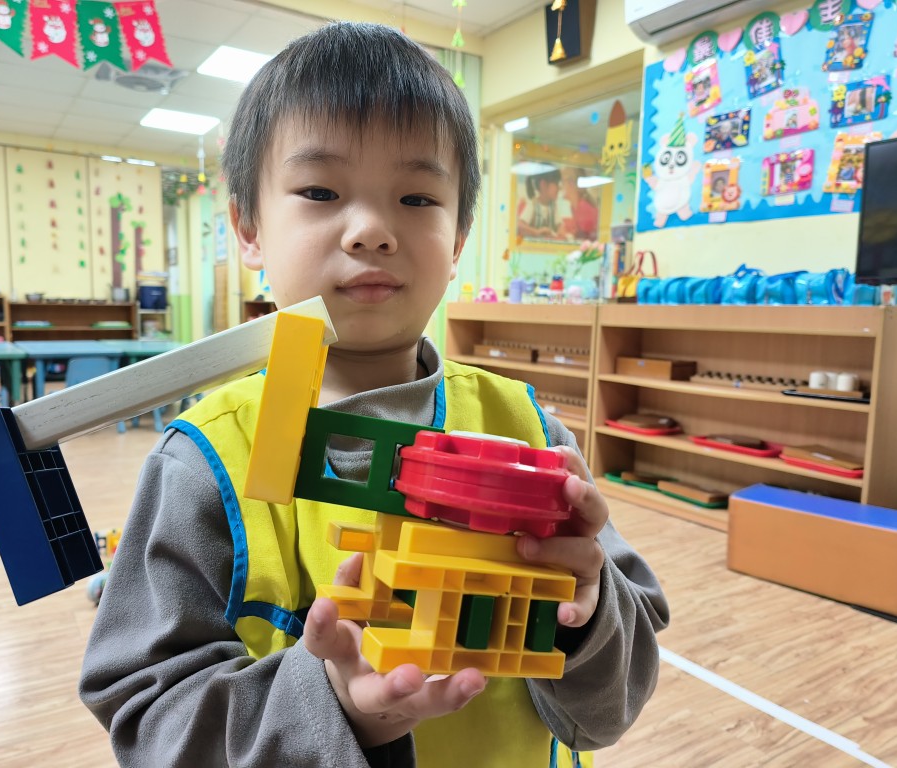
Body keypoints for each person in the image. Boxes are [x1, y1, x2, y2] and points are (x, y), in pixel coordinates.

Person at [79, 21, 669, 768]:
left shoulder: (530, 435)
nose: (371, 230)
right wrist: (333, 709)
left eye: (417, 197)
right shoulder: (203, 460)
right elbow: (149, 718)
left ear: (458, 240)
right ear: (248, 228)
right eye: (320, 191)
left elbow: (611, 708)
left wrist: (585, 617)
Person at [517, 166, 565, 239]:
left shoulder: (554, 206)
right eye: (556, 184)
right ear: (543, 184)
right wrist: (536, 232)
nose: (559, 188)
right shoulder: (533, 205)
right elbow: (520, 226)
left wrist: (560, 231)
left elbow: (560, 225)